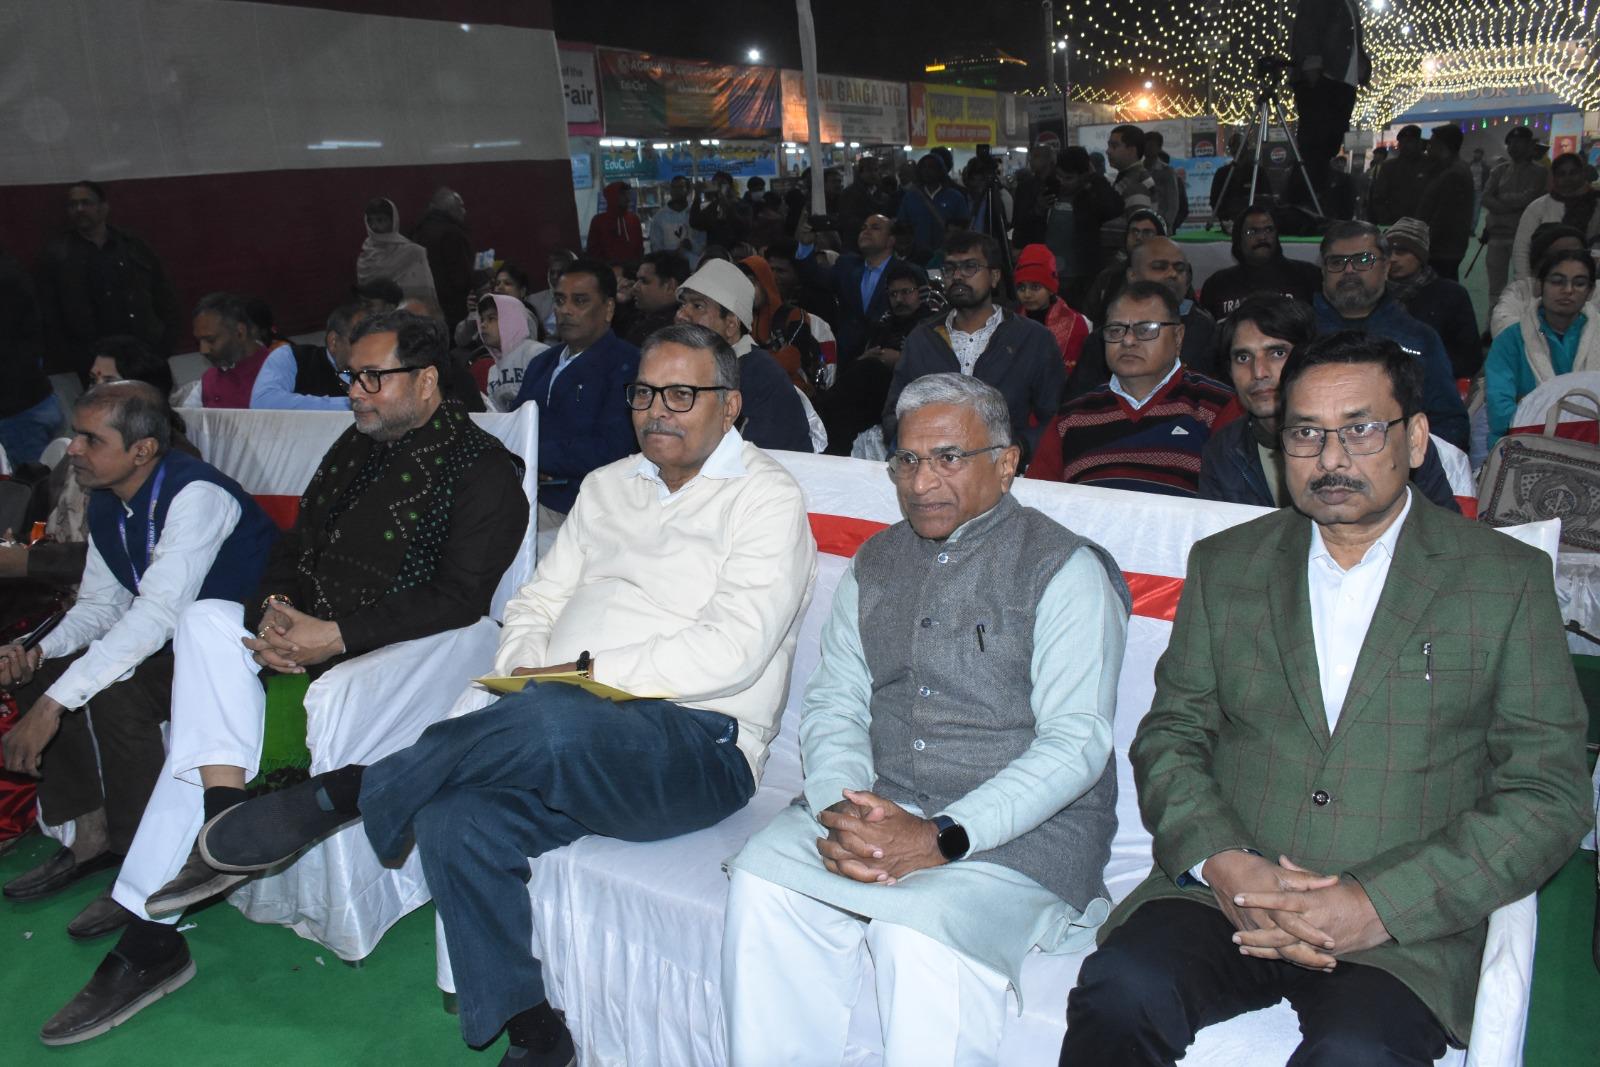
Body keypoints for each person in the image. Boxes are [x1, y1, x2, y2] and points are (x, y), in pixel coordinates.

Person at [199, 323, 816, 1062]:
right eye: (645, 392)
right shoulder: (608, 486)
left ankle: (356, 789)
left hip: (700, 745)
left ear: (732, 405)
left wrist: (574, 681)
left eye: (683, 394)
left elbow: (733, 650)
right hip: (563, 726)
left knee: (556, 716)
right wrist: (530, 674)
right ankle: (532, 1026)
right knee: (458, 818)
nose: (659, 410)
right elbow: (532, 605)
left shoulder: (766, 500)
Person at [1059, 330, 1591, 1066]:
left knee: (1356, 1054)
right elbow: (1171, 734)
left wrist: (1378, 903)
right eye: (1306, 432)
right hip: (1228, 898)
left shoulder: (1503, 580)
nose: (1331, 458)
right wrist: (1223, 861)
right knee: (1120, 989)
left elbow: (1549, 793)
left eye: (1360, 429)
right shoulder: (1228, 565)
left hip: (1399, 927)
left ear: (1415, 440)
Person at [26, 311, 529, 1046]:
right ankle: (227, 816)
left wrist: (335, 636)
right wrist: (274, 613)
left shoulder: (486, 472)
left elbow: (459, 597)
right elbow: (294, 548)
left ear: (425, 382)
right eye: (350, 376)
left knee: (193, 716)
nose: (354, 393)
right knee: (203, 622)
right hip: (301, 635)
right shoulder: (354, 447)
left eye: (371, 377)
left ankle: (150, 935)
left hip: (386, 654)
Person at [724, 373, 1129, 1064]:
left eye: (948, 457)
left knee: (916, 930)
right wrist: (841, 811)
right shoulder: (876, 561)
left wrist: (944, 835)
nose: (921, 481)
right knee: (765, 876)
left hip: (1021, 832)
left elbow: (1076, 742)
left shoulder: (1064, 568)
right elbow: (837, 701)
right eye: (906, 460)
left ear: (1006, 464)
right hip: (883, 804)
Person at [0, 382, 277, 944]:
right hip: (173, 638)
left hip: (238, 646)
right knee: (41, 672)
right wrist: (38, 650)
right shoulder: (110, 498)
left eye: (88, 438)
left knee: (113, 689)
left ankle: (138, 863)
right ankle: (91, 836)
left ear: (143, 450)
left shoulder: (196, 495)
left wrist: (57, 704)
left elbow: (156, 615)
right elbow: (102, 606)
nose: (71, 449)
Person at [1198, 292, 1460, 511]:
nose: (1259, 372)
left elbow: (1445, 538)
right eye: (1243, 358)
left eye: (1277, 353)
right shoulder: (1223, 452)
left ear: (1309, 358)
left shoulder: (1393, 437)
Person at [1030, 282, 1233, 496]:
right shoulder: (1070, 419)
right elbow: (1038, 504)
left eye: (1145, 329)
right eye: (1116, 330)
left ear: (1178, 337)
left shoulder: (1216, 407)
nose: (1127, 340)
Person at [882, 232, 1063, 459]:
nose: (957, 276)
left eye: (970, 267)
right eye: (949, 269)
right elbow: (894, 413)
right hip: (929, 469)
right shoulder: (922, 339)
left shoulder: (1032, 339)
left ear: (994, 276)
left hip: (1003, 473)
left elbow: (1056, 418)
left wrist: (1019, 448)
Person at [1311, 220, 1468, 450]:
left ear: (1385, 267)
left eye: (1363, 260)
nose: (1349, 270)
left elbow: (1449, 423)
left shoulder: (1420, 339)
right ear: (1323, 271)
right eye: (1337, 262)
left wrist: (1409, 467)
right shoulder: (1300, 337)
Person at [512, 259, 640, 529]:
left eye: (579, 301)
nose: (565, 310)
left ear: (608, 309)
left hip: (581, 507)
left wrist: (535, 458)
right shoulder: (541, 363)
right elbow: (513, 430)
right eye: (560, 300)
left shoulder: (629, 365)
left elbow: (612, 449)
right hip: (523, 493)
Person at [35, 181, 181, 377]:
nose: (79, 209)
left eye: (86, 203)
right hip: (95, 360)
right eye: (73, 205)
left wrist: (164, 343)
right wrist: (75, 356)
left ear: (104, 207)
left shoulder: (132, 246)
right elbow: (49, 313)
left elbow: (163, 293)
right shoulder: (57, 255)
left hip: (144, 351)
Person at [674, 259, 815, 453]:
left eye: (697, 306)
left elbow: (753, 463)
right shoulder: (687, 366)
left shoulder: (759, 376)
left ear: (731, 324)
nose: (681, 315)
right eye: (683, 304)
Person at [1068, 237, 1220, 397]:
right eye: (1159, 267)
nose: (1172, 274)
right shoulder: (1104, 338)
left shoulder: (1207, 330)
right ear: (1132, 275)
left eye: (1180, 268)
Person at [814, 262, 935, 456]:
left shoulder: (933, 326)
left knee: (868, 372)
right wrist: (864, 358)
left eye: (906, 292)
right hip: (872, 394)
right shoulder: (883, 324)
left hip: (909, 393)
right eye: (893, 294)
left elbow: (937, 369)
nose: (899, 299)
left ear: (921, 292)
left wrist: (900, 360)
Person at [1484, 249, 1598, 446]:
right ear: (1539, 286)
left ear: (1590, 291)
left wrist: (1530, 404)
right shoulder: (1511, 339)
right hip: (1521, 447)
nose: (1568, 290)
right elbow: (1501, 413)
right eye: (1557, 281)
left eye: (1579, 283)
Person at [188, 292, 349, 411]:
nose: (203, 350)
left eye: (211, 340)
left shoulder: (287, 369)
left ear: (240, 332)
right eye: (198, 341)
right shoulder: (207, 382)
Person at [1383, 217, 1482, 380]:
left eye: (1401, 251)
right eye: (1387, 252)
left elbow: (1469, 358)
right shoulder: (1374, 293)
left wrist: (1421, 370)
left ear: (1420, 256)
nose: (1393, 258)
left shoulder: (1451, 295)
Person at [1288, 0, 1368, 202]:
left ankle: (1315, 199)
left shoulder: (1349, 4)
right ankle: (1304, 201)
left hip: (1342, 80)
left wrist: (1362, 66)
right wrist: (1312, 69)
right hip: (1325, 79)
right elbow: (1307, 30)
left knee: (1330, 144)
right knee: (1315, 146)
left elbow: (1353, 38)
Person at [793, 212, 898, 365]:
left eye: (875, 228)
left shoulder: (905, 272)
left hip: (886, 358)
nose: (866, 231)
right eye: (863, 228)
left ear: (891, 240)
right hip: (846, 357)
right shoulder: (847, 265)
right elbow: (814, 277)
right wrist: (806, 245)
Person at [1196, 204, 1323, 319]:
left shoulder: (1307, 276)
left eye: (1269, 230)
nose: (1262, 237)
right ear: (1238, 239)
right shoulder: (1217, 284)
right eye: (1252, 231)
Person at [740, 255, 837, 396]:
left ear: (765, 282)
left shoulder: (803, 319)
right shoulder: (734, 323)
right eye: (741, 283)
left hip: (798, 400)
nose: (747, 289)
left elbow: (792, 360)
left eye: (752, 281)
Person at [1047, 146, 1126, 306]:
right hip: (1049, 274)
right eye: (1059, 176)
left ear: (1083, 176)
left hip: (1080, 276)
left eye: (1068, 178)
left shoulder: (1091, 197)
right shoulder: (1049, 191)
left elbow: (1114, 207)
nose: (1062, 182)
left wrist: (1096, 177)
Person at [1490, 223, 1599, 338]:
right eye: (1561, 257)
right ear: (1538, 265)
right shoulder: (1520, 292)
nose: (1570, 262)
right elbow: (1504, 331)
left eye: (1579, 255)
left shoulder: (1595, 290)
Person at [1480, 127, 1549, 309]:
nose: (1515, 147)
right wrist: (1512, 203)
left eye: (1520, 143)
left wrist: (1500, 201)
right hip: (1497, 236)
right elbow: (1486, 197)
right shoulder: (1499, 171)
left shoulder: (1540, 172)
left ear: (1529, 146)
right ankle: (1493, 326)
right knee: (1495, 289)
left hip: (1526, 238)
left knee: (1526, 285)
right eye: (1511, 143)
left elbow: (1530, 199)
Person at [0, 241, 56, 464]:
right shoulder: (9, 271)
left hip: (17, 408)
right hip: (25, 401)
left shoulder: (5, 279)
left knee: (28, 488)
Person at [1511, 153, 1600, 283]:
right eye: (1561, 174)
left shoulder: (1597, 205)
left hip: (1593, 282)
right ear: (1554, 177)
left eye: (1573, 172)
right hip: (1546, 282)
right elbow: (1522, 249)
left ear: (1583, 174)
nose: (1568, 178)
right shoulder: (1538, 207)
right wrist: (1525, 283)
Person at [1015, 244, 1092, 378]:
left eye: (1035, 287)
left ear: (1050, 289)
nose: (1027, 294)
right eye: (1021, 288)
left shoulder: (1076, 324)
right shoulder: (1011, 322)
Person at [1082, 207, 1166, 328]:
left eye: (1147, 232)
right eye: (1134, 231)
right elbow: (1088, 319)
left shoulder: (1171, 274)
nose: (1138, 237)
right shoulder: (1109, 276)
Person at [408, 187, 474, 332]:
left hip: (423, 307)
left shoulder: (418, 231)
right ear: (450, 209)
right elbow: (461, 279)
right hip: (452, 311)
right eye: (460, 207)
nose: (464, 211)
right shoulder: (453, 234)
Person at [1417, 124, 1476, 281]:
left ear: (1441, 146)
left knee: (1440, 290)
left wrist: (1423, 244)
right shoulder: (1449, 169)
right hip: (1446, 247)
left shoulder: (1453, 174)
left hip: (1442, 249)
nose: (1427, 149)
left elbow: (1443, 217)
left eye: (1431, 144)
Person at [356, 198, 437, 304]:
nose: (374, 226)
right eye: (370, 221)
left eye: (380, 220)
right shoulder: (366, 255)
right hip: (373, 317)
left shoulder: (414, 253)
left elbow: (425, 296)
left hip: (409, 315)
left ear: (393, 221)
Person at [477, 292, 548, 412]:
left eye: (491, 318)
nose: (483, 325)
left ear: (511, 320)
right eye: (482, 320)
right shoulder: (493, 371)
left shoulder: (536, 353)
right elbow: (497, 412)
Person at [896, 154, 970, 255]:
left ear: (941, 171)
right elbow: (902, 226)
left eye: (932, 167)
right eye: (924, 167)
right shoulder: (910, 197)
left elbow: (964, 229)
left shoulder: (955, 197)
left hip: (947, 255)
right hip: (916, 256)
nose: (927, 171)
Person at [1102, 125, 1156, 252]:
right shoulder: (1127, 176)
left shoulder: (1138, 181)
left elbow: (1140, 233)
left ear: (1132, 150)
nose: (1108, 151)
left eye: (1114, 146)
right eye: (1109, 145)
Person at [1367, 126, 1435, 226]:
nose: (1405, 146)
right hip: (1394, 223)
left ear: (1419, 143)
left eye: (1410, 142)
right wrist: (1386, 221)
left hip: (1423, 224)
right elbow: (1378, 197)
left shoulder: (1431, 165)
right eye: (1402, 142)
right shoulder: (1389, 167)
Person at [626, 250, 691, 348]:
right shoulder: (636, 317)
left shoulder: (669, 333)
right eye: (637, 280)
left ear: (670, 286)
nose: (635, 287)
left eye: (644, 281)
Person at [690, 172, 752, 252]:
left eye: (722, 183)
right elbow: (695, 222)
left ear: (730, 187)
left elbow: (744, 226)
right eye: (716, 183)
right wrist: (697, 196)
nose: (719, 186)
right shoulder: (712, 207)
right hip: (716, 252)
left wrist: (725, 202)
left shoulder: (743, 206)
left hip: (738, 252)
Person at [586, 181, 645, 263]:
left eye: (628, 194)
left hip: (632, 270)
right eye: (623, 195)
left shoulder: (634, 219)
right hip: (607, 271)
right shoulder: (599, 221)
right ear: (613, 197)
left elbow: (639, 247)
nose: (628, 199)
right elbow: (593, 251)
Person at [648, 175, 702, 263]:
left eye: (680, 187)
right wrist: (673, 253)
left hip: (694, 268)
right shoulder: (659, 217)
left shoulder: (695, 214)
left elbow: (702, 242)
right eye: (673, 187)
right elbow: (656, 247)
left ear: (688, 191)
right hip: (669, 267)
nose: (676, 191)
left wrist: (691, 245)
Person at [528, 250, 577, 342]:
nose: (555, 277)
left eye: (560, 273)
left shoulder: (579, 301)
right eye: (552, 272)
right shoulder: (534, 300)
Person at [1143, 131, 1186, 231]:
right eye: (1145, 145)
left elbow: (1173, 202)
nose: (1147, 148)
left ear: (1159, 148)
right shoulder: (1138, 170)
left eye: (1151, 145)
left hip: (1160, 223)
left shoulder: (1167, 171)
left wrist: (1166, 223)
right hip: (1141, 221)